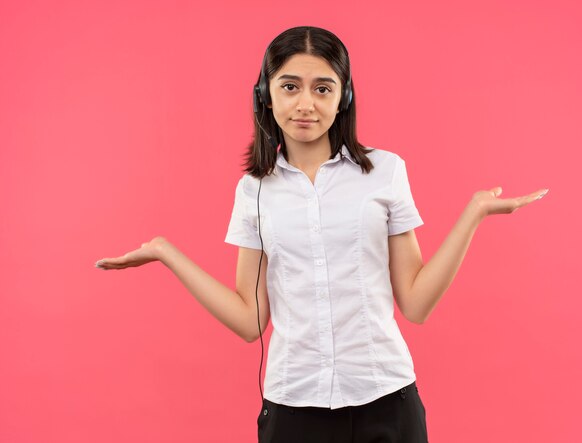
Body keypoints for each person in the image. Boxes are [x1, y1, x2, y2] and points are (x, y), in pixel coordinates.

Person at [94, 25, 548, 443]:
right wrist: (165, 253)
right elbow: (250, 321)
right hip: (293, 408)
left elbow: (416, 302)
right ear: (265, 96)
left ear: (343, 97)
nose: (305, 103)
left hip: (387, 400)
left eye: (323, 88)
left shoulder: (386, 173)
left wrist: (473, 214)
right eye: (290, 86)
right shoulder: (254, 190)